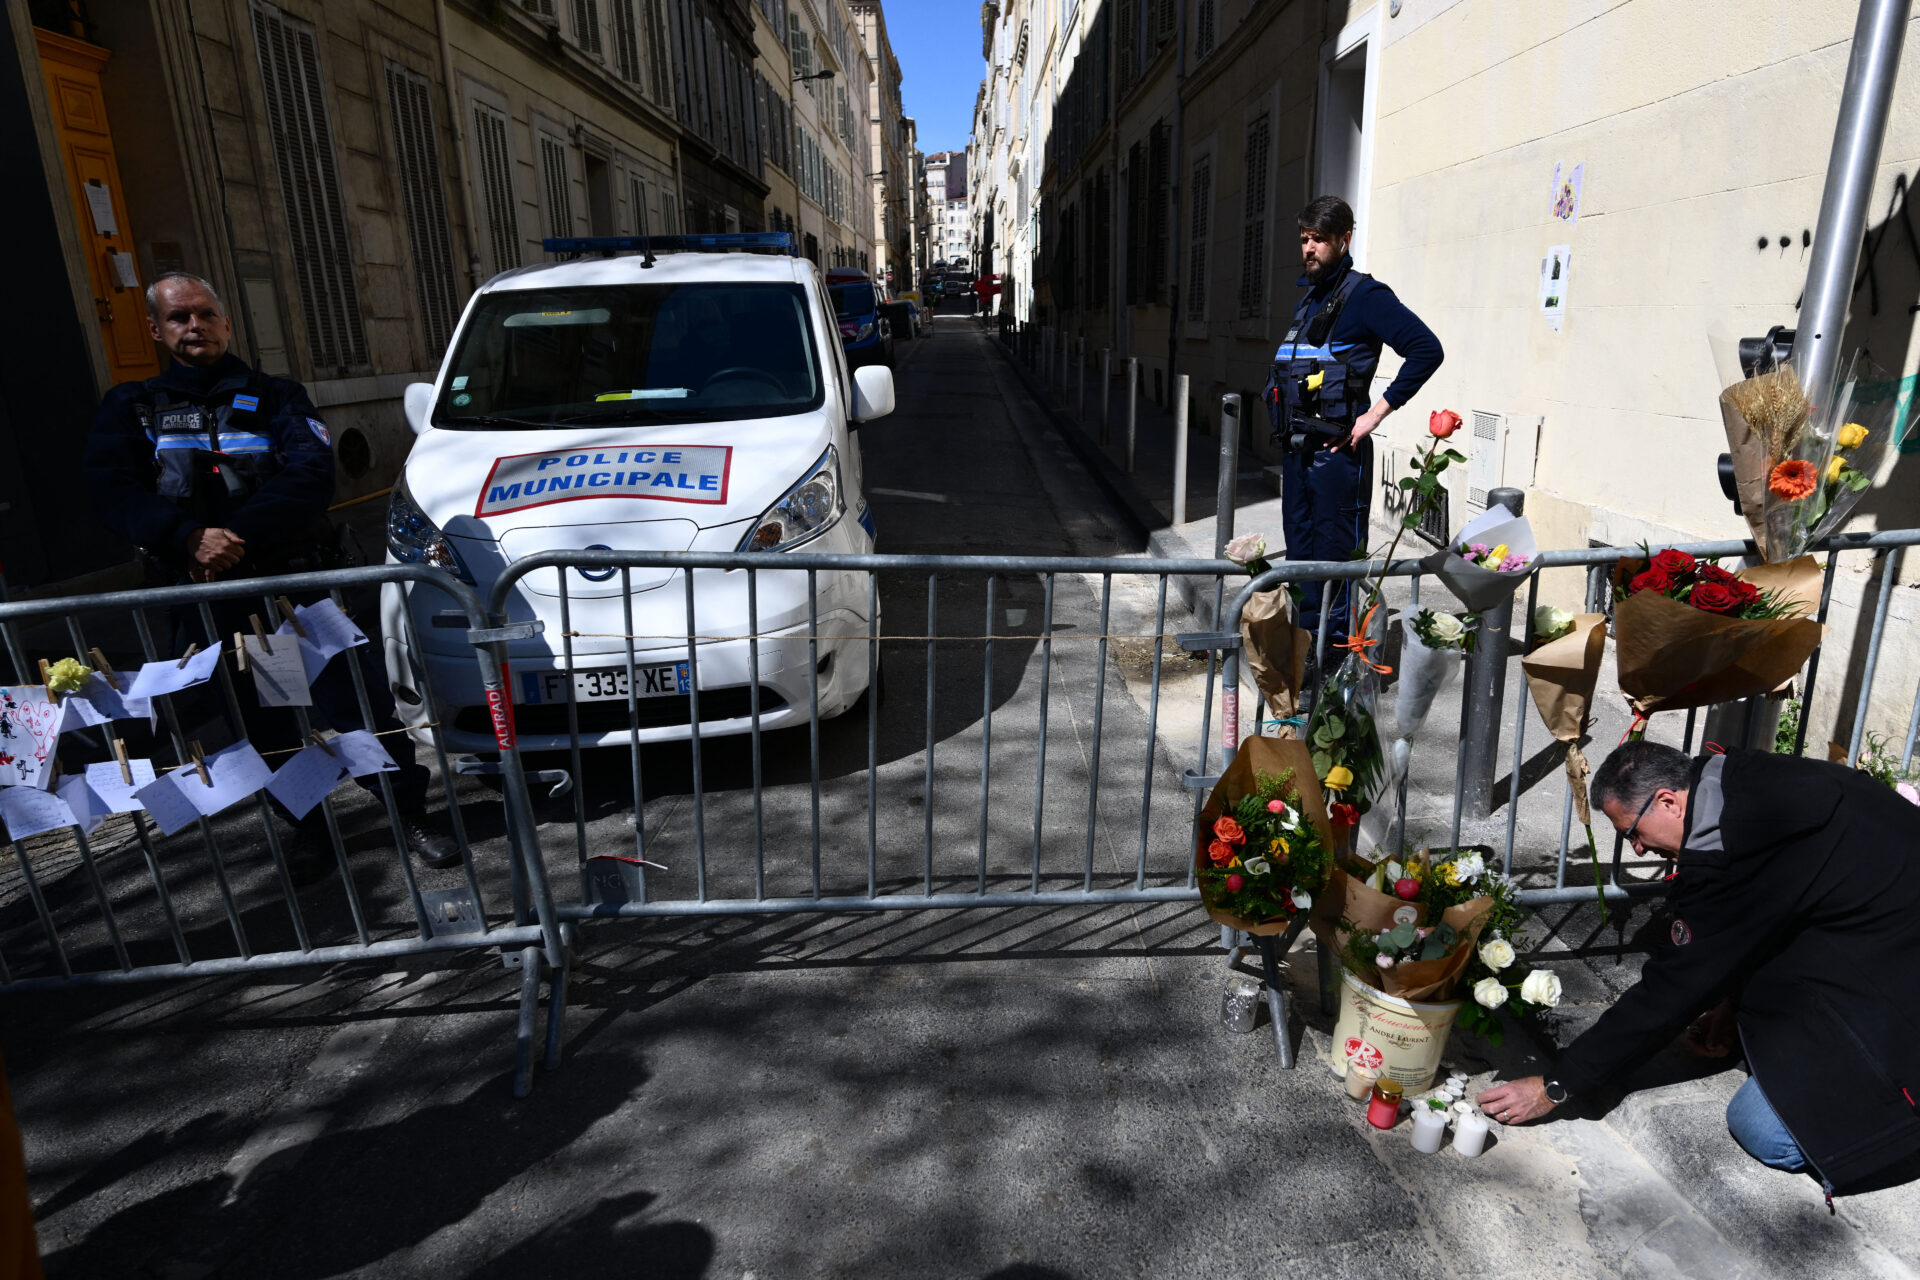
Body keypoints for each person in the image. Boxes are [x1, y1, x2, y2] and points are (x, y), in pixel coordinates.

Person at [83, 272, 459, 878]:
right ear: (155, 330)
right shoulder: (132, 408)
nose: (194, 327)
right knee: (267, 723)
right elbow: (111, 491)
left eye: (205, 314)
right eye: (178, 318)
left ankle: (409, 813)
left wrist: (234, 538)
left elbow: (310, 475)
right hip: (213, 602)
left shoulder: (279, 395)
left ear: (226, 323)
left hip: (293, 592)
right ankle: (307, 829)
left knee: (357, 707)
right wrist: (187, 540)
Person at [1477, 740, 1920, 1202]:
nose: (1640, 849)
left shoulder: (1746, 846)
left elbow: (1671, 989)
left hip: (1899, 989)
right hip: (1878, 946)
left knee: (1762, 1128)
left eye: (1633, 832)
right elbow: (1763, 924)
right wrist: (1732, 1004)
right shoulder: (1738, 789)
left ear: (1669, 801)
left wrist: (1558, 1087)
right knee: (1767, 1038)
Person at [1267, 196, 1443, 646]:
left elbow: (1426, 349)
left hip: (1338, 459)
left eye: (1320, 240)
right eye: (1304, 239)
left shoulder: (1366, 296)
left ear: (1344, 240)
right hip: (1298, 455)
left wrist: (1375, 414)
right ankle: (1308, 657)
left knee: (1337, 565)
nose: (1309, 248)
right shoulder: (1308, 302)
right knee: (1304, 564)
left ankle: (1336, 667)